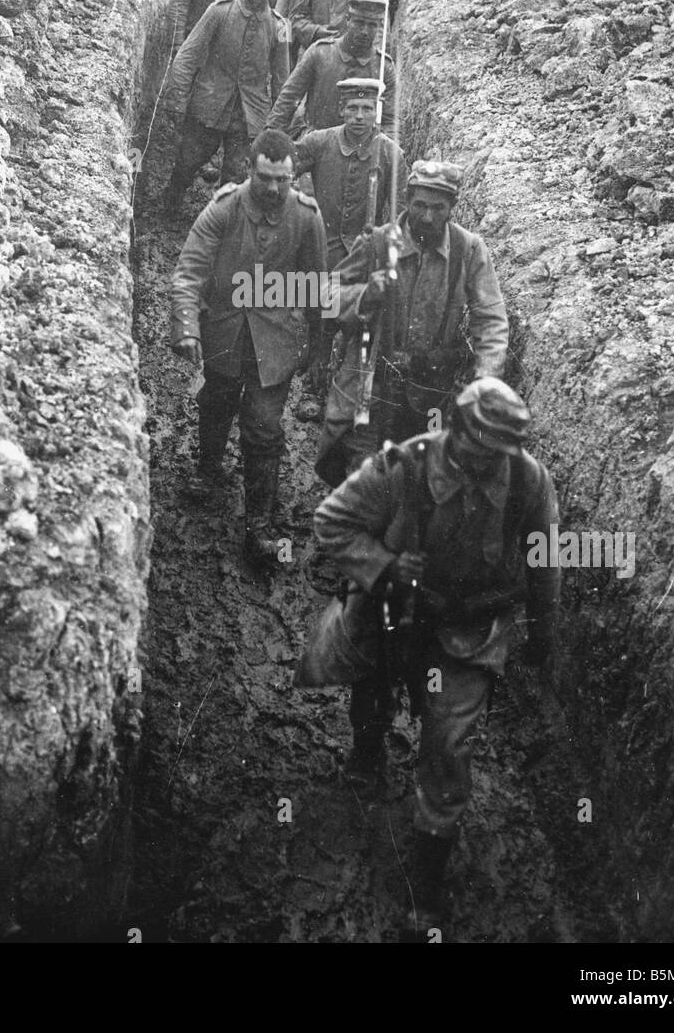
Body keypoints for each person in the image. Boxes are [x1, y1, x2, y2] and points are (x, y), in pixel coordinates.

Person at [296, 377, 560, 936]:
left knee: (449, 743)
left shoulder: (527, 481)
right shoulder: (406, 466)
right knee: (373, 684)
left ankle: (427, 885)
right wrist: (386, 564)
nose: (486, 462)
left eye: (499, 452)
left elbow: (544, 559)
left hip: (472, 628)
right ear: (456, 430)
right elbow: (330, 522)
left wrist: (544, 631)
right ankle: (366, 755)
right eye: (477, 446)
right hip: (397, 610)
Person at [170, 129, 327, 570]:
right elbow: (190, 270)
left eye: (284, 179)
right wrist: (186, 327)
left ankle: (260, 523)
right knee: (217, 401)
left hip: (275, 340)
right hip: (224, 330)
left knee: (263, 427)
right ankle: (208, 469)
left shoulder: (306, 217)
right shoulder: (223, 208)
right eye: (265, 178)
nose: (275, 188)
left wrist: (319, 349)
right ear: (248, 170)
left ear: (294, 175)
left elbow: (317, 287)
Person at [315, 158, 509, 489]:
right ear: (407, 200)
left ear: (452, 208)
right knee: (362, 480)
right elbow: (326, 295)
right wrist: (365, 294)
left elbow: (491, 321)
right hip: (368, 388)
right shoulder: (377, 243)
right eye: (420, 205)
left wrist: (486, 381)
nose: (428, 216)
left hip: (428, 395)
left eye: (438, 207)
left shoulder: (469, 251)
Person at [291, 78, 407, 421]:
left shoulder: (390, 153)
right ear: (342, 110)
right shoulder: (320, 141)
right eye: (353, 109)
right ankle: (314, 383)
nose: (359, 116)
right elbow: (285, 169)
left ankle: (346, 386)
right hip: (320, 249)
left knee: (358, 322)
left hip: (365, 253)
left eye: (367, 109)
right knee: (321, 319)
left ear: (377, 111)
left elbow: (401, 213)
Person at [161, 0, 290, 213]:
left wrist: (277, 122)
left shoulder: (279, 26)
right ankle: (169, 207)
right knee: (188, 161)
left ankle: (222, 223)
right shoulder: (220, 11)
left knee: (236, 176)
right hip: (208, 103)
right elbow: (188, 55)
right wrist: (177, 97)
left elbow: (282, 80)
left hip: (249, 114)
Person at [268, 0, 396, 137]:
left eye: (372, 25)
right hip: (315, 143)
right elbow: (288, 99)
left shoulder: (384, 67)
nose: (365, 31)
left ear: (379, 26)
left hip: (361, 150)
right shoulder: (320, 53)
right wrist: (269, 140)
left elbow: (390, 121)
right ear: (348, 20)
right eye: (359, 23)